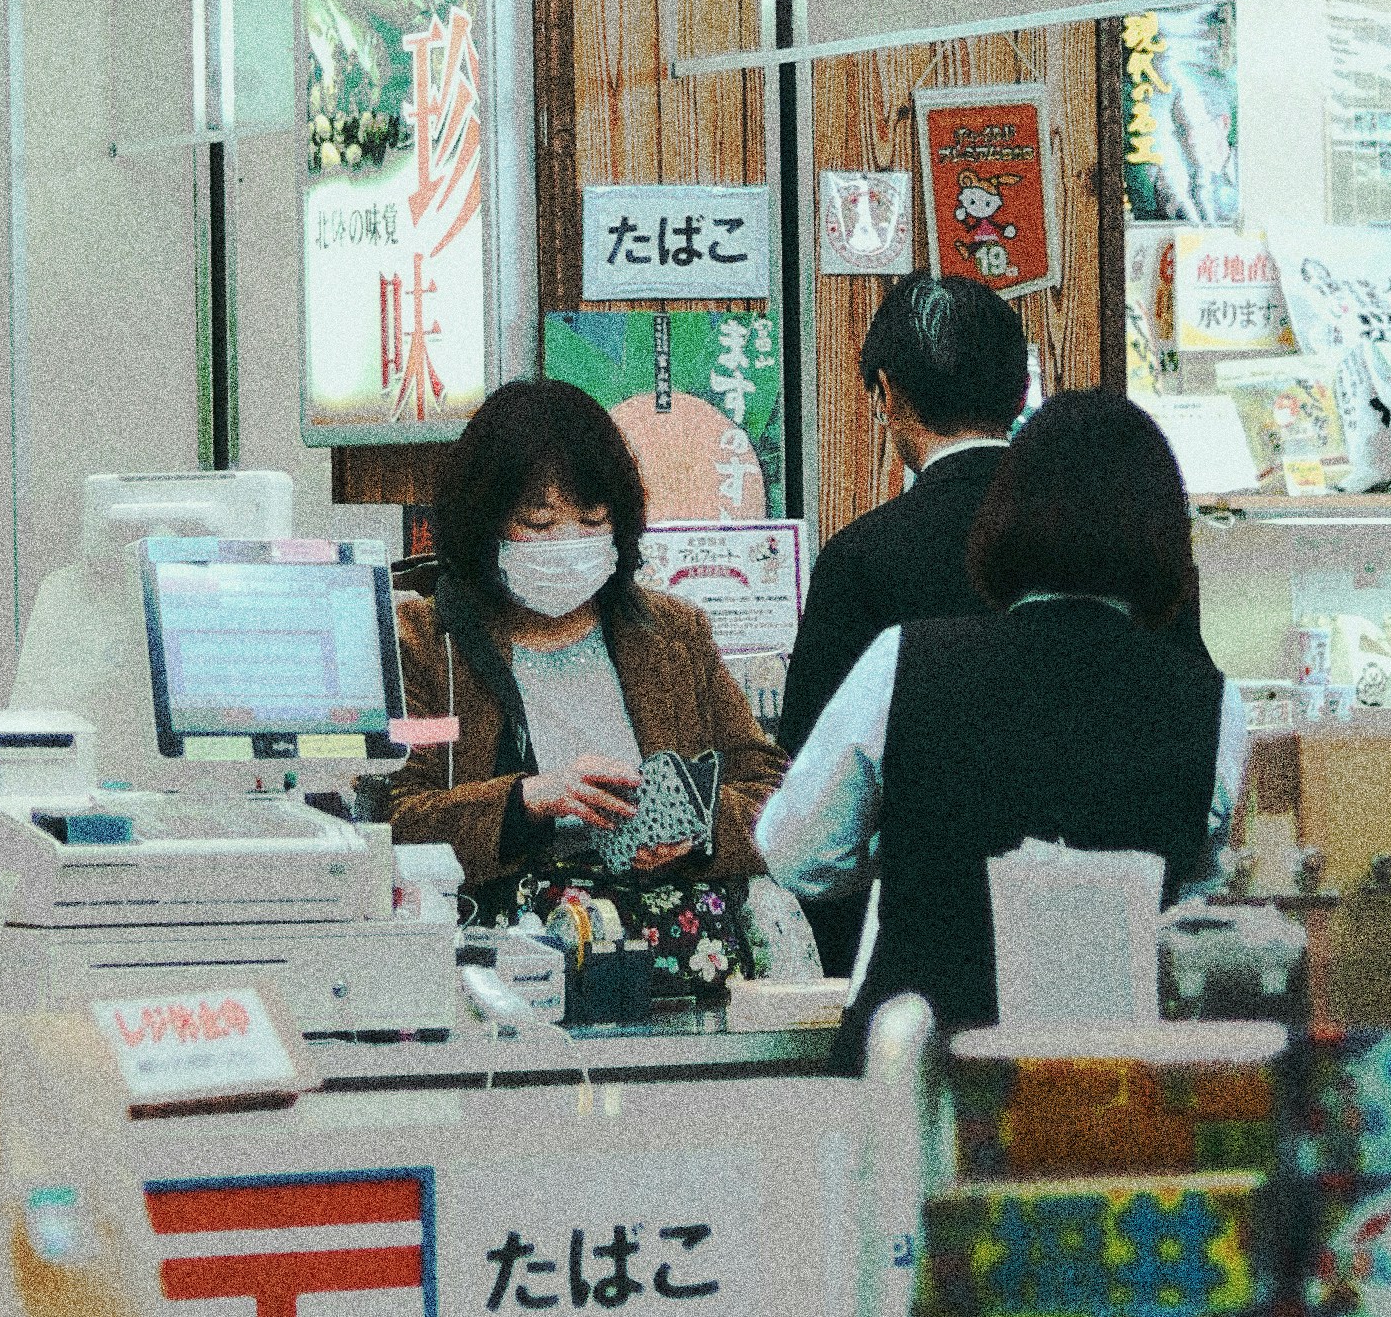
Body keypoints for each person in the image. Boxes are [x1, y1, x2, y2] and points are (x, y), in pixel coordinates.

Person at [757, 383, 1231, 1040]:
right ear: (1165, 535)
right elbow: (1209, 895)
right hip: (1113, 1081)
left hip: (921, 1057)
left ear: (1004, 517)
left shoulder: (906, 659)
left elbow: (795, 852)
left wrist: (904, 838)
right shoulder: (1211, 702)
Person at [390, 373, 783, 915]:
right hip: (495, 954)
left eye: (592, 520)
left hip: (675, 958)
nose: (569, 543)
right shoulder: (424, 646)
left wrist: (698, 829)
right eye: (540, 523)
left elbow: (773, 794)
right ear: (484, 525)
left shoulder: (672, 636)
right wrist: (523, 803)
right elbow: (393, 816)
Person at [773, 273, 1033, 973]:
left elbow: (808, 806)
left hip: (925, 959)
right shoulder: (1109, 553)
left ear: (885, 394)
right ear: (1021, 393)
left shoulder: (863, 558)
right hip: (1098, 961)